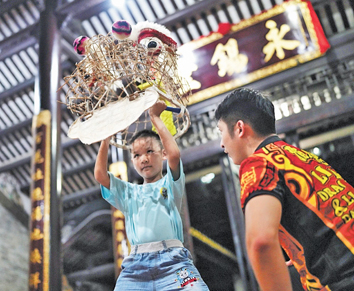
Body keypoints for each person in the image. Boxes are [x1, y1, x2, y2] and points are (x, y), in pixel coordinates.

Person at [215, 88, 354, 291]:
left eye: (221, 132)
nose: (221, 143)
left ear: (239, 128)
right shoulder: (302, 157)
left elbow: (260, 242)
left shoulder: (258, 162)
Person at [94, 101, 210, 290]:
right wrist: (105, 139)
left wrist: (155, 118)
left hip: (174, 262)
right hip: (135, 267)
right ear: (132, 160)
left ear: (162, 154)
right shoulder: (129, 192)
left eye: (149, 151)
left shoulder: (170, 183)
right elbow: (100, 175)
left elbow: (175, 155)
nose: (144, 159)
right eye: (137, 155)